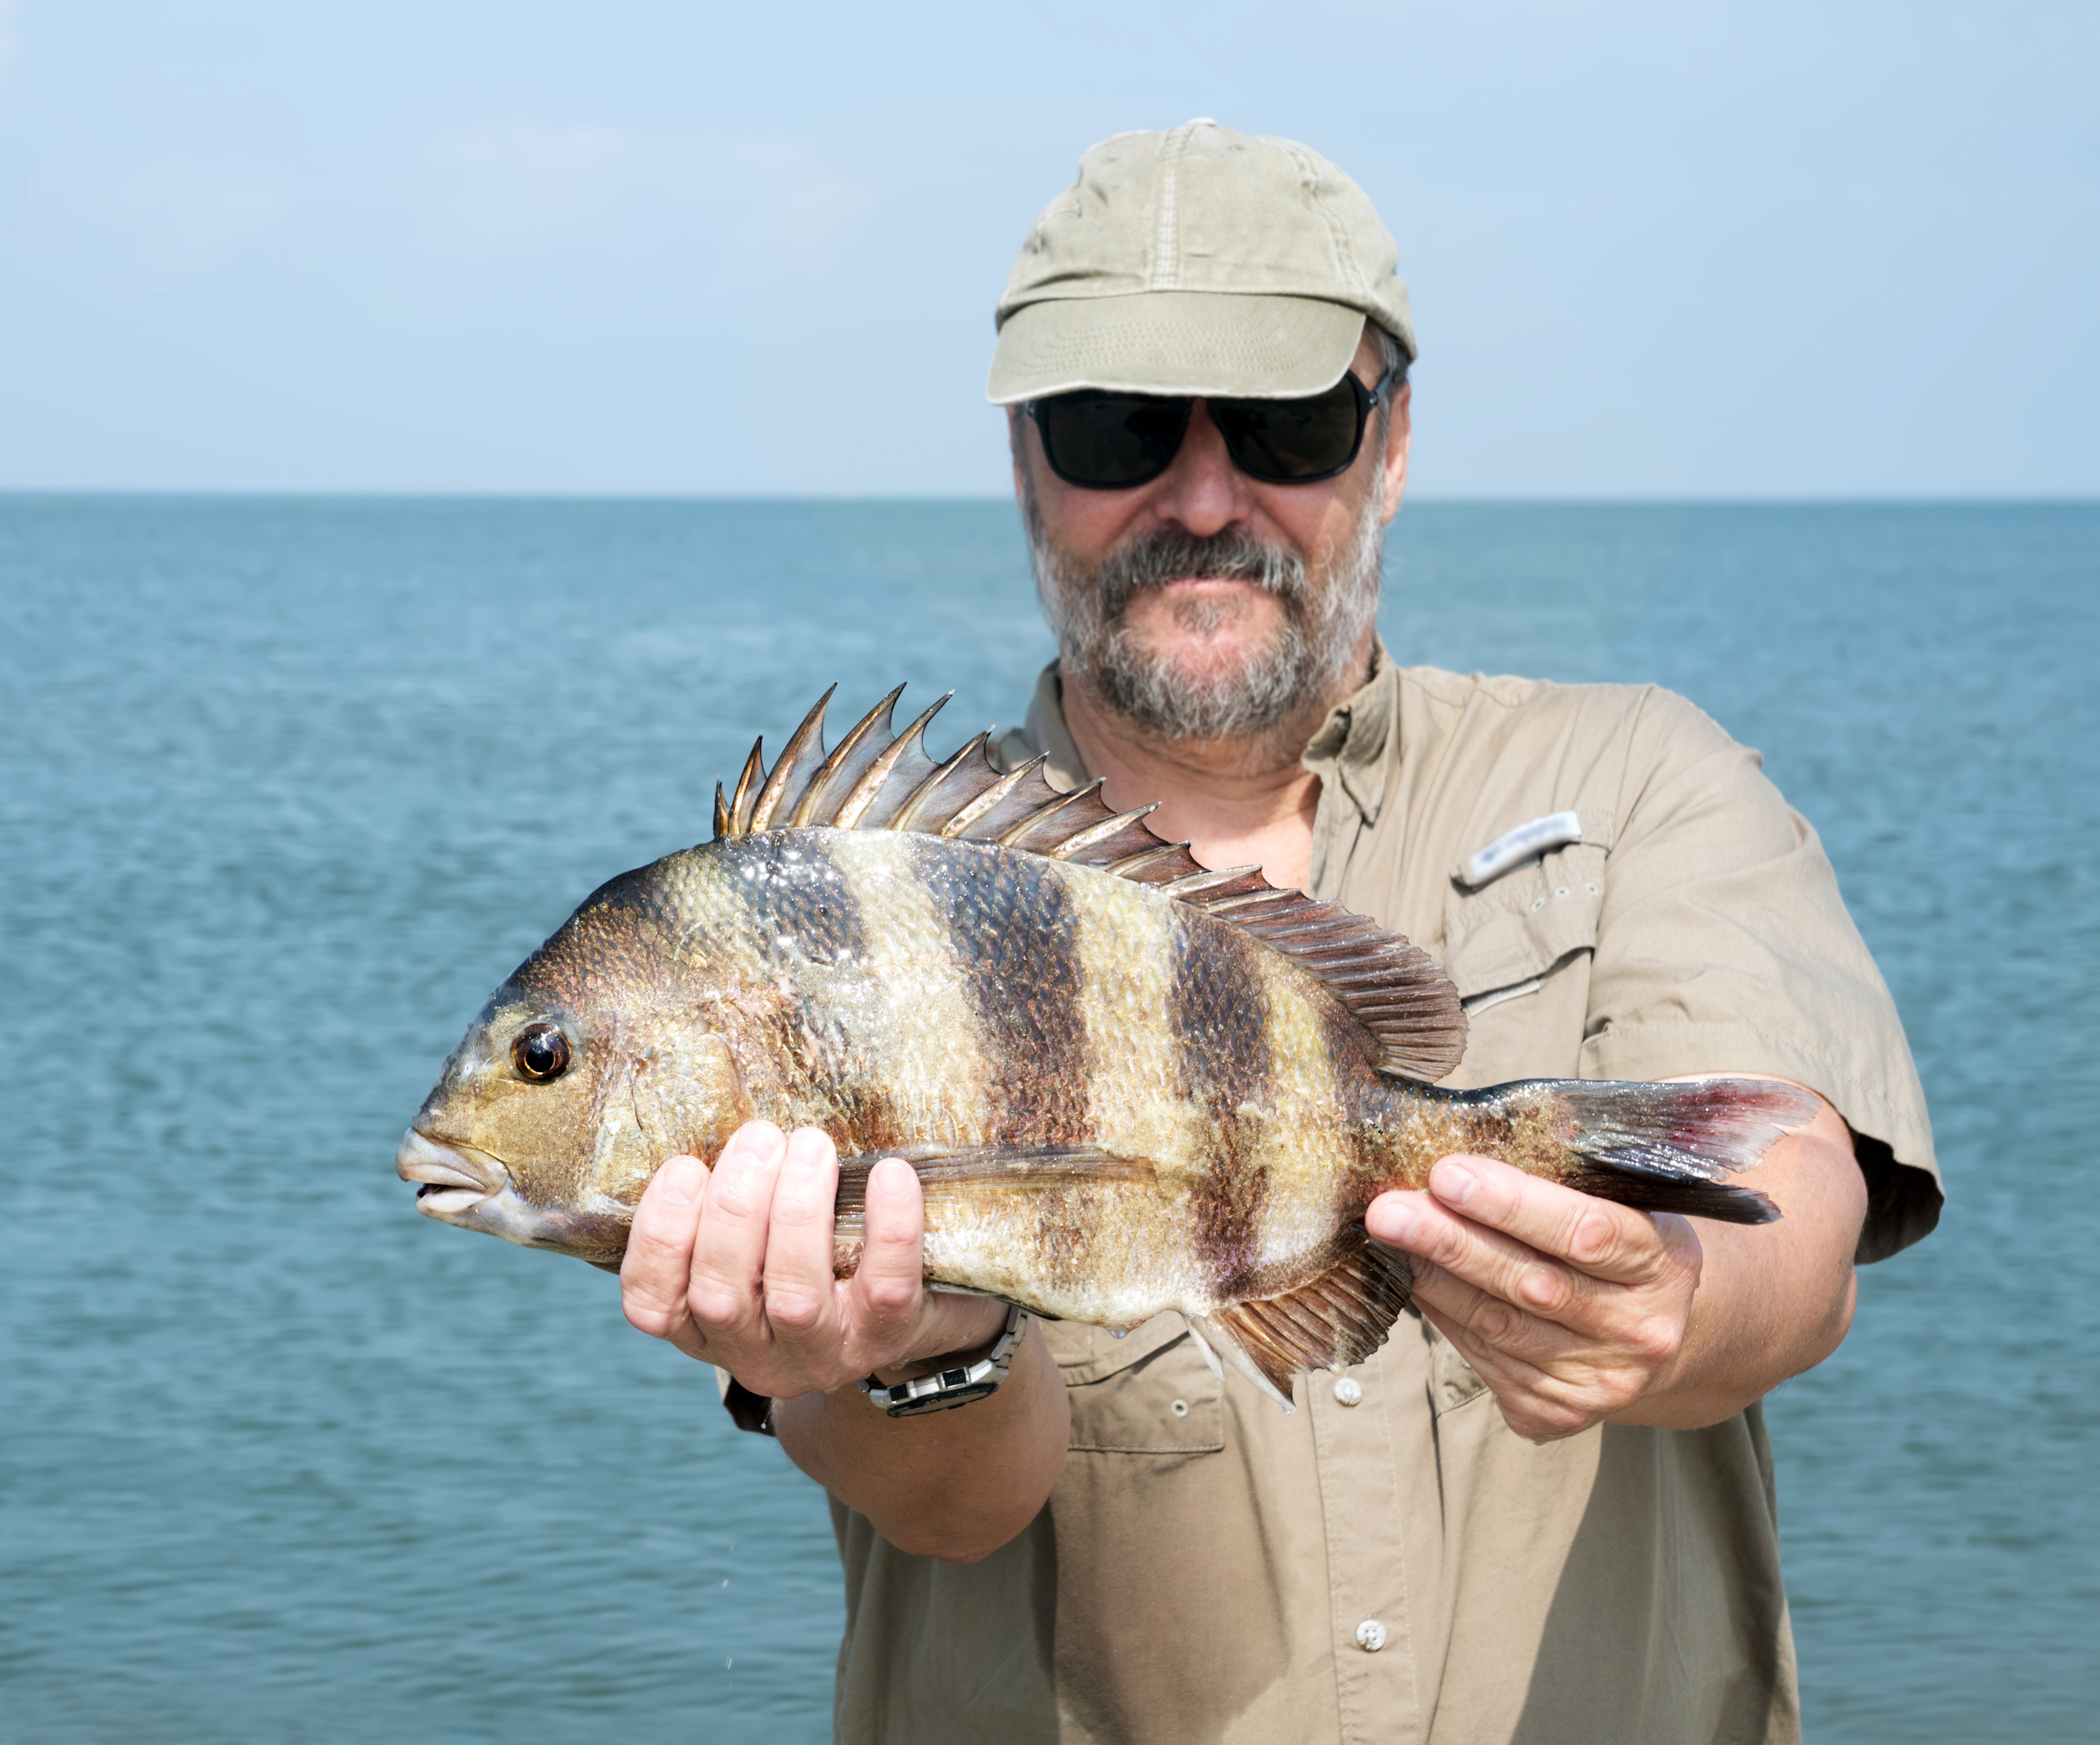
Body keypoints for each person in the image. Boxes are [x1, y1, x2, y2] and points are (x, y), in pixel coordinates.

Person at [616, 121, 1939, 1743]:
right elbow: (948, 1511)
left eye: (1285, 423)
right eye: (1113, 428)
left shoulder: (1640, 777)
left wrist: (1670, 1300)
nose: (1200, 496)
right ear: (1024, 457)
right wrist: (918, 1346)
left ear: (1392, 441)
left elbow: (1790, 1214)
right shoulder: (857, 914)